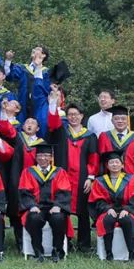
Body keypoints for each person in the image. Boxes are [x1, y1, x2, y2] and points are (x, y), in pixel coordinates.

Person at [45, 96, 98, 251]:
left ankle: (84, 244)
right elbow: (53, 122)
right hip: (63, 178)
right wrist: (53, 103)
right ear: (66, 117)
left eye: (76, 114)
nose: (73, 117)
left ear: (82, 116)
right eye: (70, 114)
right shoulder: (61, 132)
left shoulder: (90, 136)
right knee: (63, 209)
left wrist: (90, 177)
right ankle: (65, 241)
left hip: (82, 179)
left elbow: (94, 158)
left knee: (83, 212)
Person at [88, 151, 134, 262]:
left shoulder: (131, 179)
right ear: (107, 166)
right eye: (111, 162)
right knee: (108, 220)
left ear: (122, 165)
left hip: (126, 210)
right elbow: (96, 199)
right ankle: (109, 254)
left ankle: (132, 254)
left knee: (127, 220)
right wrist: (107, 209)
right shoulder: (100, 181)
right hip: (108, 210)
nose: (114, 164)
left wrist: (127, 209)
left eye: (117, 162)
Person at [18, 143, 73, 262]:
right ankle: (38, 252)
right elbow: (24, 192)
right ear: (36, 157)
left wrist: (58, 205)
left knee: (58, 218)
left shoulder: (59, 172)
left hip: (54, 207)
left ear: (51, 157)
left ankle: (57, 251)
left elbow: (64, 191)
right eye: (40, 155)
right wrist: (32, 205)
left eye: (46, 155)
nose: (43, 158)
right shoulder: (28, 172)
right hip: (37, 207)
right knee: (34, 218)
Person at [97, 105, 134, 185]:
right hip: (110, 181)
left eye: (123, 119)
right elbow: (100, 160)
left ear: (128, 121)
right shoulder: (104, 137)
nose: (120, 121)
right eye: (116, 118)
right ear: (112, 121)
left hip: (132, 180)